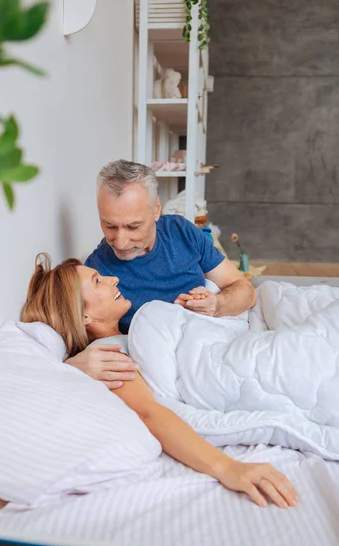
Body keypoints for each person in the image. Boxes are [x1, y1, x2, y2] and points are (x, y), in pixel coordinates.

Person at [20, 253, 298, 510]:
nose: (113, 279)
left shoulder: (130, 336)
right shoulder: (109, 355)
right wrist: (228, 468)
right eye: (97, 281)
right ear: (84, 315)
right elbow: (149, 413)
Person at [68, 160, 257, 390]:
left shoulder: (181, 232)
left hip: (223, 345)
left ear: (156, 209)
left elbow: (245, 289)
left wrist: (216, 304)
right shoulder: (98, 272)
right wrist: (74, 366)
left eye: (133, 226)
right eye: (109, 226)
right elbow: (79, 339)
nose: (120, 241)